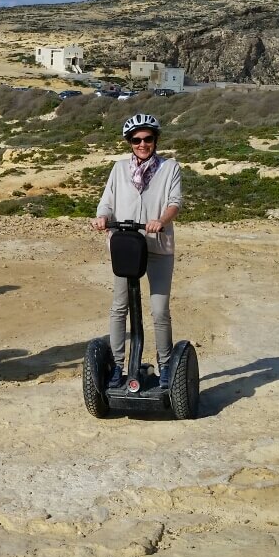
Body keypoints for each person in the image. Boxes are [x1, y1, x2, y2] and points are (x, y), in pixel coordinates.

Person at [91, 113, 183, 388]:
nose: (142, 144)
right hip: (127, 247)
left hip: (157, 246)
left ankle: (166, 366)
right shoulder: (119, 169)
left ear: (155, 140)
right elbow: (106, 202)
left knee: (159, 310)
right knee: (119, 307)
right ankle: (118, 366)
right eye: (136, 140)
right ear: (129, 142)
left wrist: (162, 220)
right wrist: (101, 217)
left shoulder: (170, 167)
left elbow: (175, 202)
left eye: (148, 139)